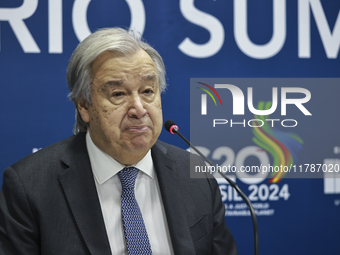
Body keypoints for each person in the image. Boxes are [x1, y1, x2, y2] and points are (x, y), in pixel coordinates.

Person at [0, 27, 238, 255]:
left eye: (147, 91)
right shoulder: (30, 187)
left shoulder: (195, 176)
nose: (138, 109)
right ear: (84, 105)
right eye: (118, 94)